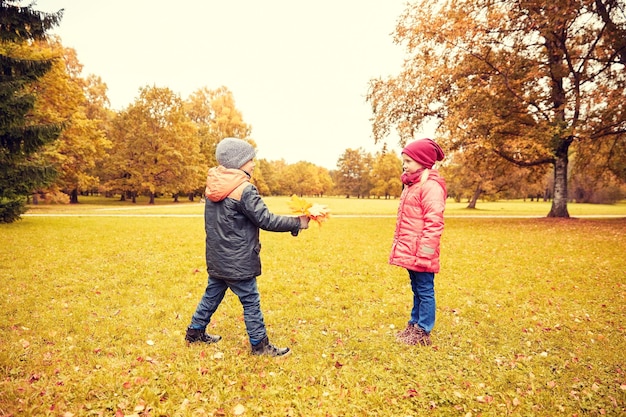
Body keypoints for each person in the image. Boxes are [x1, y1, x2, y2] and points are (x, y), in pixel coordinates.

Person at [185, 137, 310, 357]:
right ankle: (260, 345)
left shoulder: (213, 187)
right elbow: (266, 220)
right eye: (250, 160)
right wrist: (297, 222)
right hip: (238, 260)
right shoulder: (244, 189)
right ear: (238, 161)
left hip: (217, 257)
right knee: (250, 300)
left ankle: (195, 332)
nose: (253, 164)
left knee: (212, 295)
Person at [390, 138, 446, 346]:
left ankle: (423, 331)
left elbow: (434, 222)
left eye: (409, 161)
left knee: (425, 289)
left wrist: (425, 252)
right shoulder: (412, 185)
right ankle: (414, 324)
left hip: (422, 251)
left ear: (423, 162)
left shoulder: (430, 187)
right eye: (404, 161)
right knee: (417, 288)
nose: (405, 165)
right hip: (411, 249)